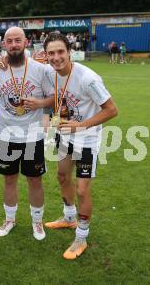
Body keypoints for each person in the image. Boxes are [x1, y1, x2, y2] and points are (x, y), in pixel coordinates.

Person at [43, 32, 118, 260]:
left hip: (86, 140)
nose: (56, 57)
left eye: (60, 52)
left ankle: (81, 237)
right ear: (46, 56)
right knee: (63, 177)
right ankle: (68, 217)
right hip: (65, 138)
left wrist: (81, 125)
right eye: (51, 53)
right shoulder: (51, 74)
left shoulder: (88, 78)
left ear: (69, 52)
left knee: (83, 189)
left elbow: (112, 110)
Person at [0, 27, 54, 240]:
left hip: (32, 136)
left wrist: (39, 103)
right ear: (4, 45)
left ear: (26, 42)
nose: (14, 45)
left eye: (17, 40)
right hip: (6, 135)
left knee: (34, 180)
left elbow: (55, 97)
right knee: (9, 179)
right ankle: (10, 219)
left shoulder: (40, 69)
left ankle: (37, 222)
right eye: (9, 41)